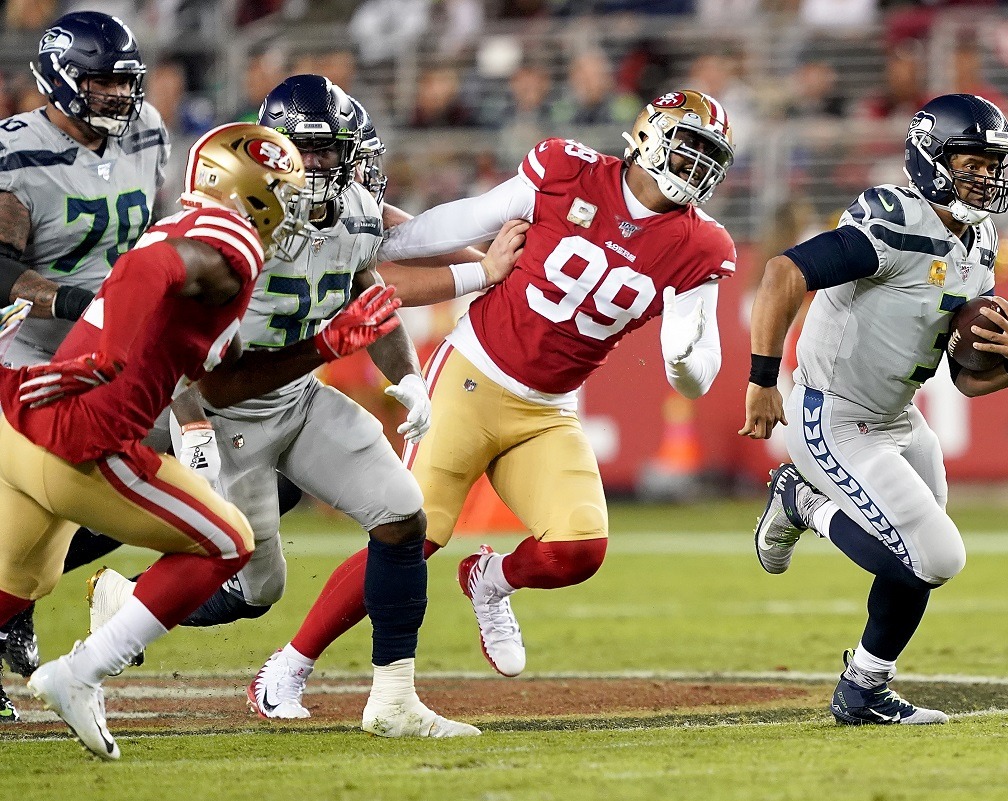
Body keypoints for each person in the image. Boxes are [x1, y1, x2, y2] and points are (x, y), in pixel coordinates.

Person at [242, 88, 738, 718]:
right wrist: (377, 244)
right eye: (688, 144)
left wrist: (683, 361)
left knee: (579, 549)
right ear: (647, 134)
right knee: (410, 538)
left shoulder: (703, 245)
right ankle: (288, 667)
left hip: (549, 408)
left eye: (708, 153)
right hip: (473, 376)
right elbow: (466, 219)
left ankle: (490, 581)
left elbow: (698, 374)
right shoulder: (569, 169)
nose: (696, 164)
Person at [86, 77, 525, 737]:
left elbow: (368, 284)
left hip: (299, 396)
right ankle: (117, 613)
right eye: (307, 150)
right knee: (256, 590)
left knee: (404, 514)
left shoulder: (350, 208)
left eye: (330, 151)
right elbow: (188, 350)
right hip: (227, 408)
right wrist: (205, 406)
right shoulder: (241, 220)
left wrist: (405, 376)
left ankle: (394, 702)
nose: (319, 165)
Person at [0, 121, 399, 760]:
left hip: (22, 423)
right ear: (253, 193)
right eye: (285, 192)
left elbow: (224, 385)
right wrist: (107, 356)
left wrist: (326, 344)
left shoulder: (189, 231)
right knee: (228, 542)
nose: (297, 208)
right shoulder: (233, 242)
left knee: (15, 584)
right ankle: (81, 673)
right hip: (85, 439)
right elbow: (142, 271)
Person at [741, 94, 1008, 725]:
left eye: (994, 164)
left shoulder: (981, 238)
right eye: (972, 162)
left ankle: (864, 688)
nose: (987, 177)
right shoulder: (894, 220)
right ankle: (804, 503)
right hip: (837, 414)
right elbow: (780, 275)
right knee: (934, 556)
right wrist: (762, 380)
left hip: (901, 420)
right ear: (932, 157)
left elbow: (965, 377)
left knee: (921, 562)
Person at [0, 10, 170, 711]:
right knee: (38, 508)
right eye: (100, 82)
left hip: (116, 350)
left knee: (232, 471)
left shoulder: (150, 130)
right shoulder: (16, 150)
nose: (117, 96)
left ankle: (17, 602)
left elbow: (154, 235)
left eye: (123, 82)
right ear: (60, 79)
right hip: (30, 354)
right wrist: (83, 305)